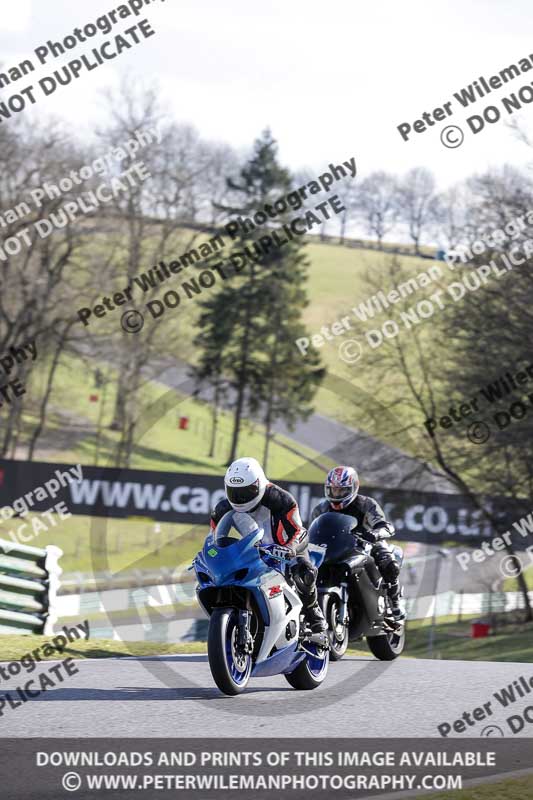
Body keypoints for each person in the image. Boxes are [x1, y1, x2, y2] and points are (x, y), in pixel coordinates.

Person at [210, 456, 327, 633]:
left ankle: (313, 610)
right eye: (234, 492)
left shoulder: (281, 499)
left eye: (246, 491)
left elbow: (298, 531)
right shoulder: (221, 509)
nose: (240, 498)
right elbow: (214, 539)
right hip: (252, 551)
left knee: (304, 572)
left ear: (259, 484)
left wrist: (290, 549)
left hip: (285, 548)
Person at [310, 466, 405, 620]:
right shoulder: (321, 509)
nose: (337, 494)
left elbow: (385, 525)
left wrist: (375, 534)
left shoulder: (366, 504)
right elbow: (313, 531)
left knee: (388, 562)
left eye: (342, 490)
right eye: (333, 490)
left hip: (366, 544)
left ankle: (395, 602)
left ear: (354, 487)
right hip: (335, 547)